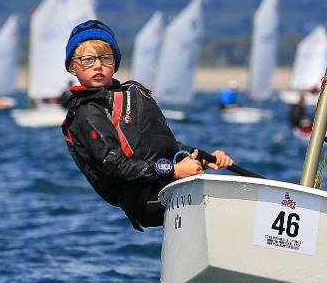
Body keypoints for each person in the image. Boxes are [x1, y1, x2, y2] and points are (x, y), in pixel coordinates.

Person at [61, 20, 233, 231]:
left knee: (235, 195)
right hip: (146, 200)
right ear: (72, 67)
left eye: (105, 58)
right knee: (228, 208)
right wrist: (174, 171)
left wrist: (205, 158)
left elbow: (162, 145)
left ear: (115, 64)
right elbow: (115, 166)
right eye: (87, 60)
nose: (98, 65)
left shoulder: (130, 95)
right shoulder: (87, 113)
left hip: (166, 184)